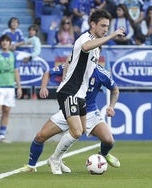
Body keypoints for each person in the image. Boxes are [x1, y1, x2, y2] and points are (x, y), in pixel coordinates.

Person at [30, 9, 124, 174]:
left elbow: (75, 59)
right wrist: (111, 36)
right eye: (102, 26)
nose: (105, 29)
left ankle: (58, 158)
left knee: (78, 132)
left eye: (107, 27)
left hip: (80, 94)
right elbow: (86, 47)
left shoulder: (96, 52)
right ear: (92, 24)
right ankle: (54, 159)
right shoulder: (85, 38)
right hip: (69, 91)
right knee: (75, 131)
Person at [20, 61, 120, 174]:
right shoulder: (73, 65)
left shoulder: (101, 73)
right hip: (68, 109)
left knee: (109, 140)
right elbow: (48, 73)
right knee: (40, 137)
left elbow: (115, 89)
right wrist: (43, 88)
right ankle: (31, 166)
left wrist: (111, 106)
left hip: (90, 112)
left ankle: (102, 155)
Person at [0, 34, 22, 144]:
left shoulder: (13, 55)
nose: (5, 42)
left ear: (9, 43)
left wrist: (19, 87)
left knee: (7, 111)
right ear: (0, 42)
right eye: (3, 40)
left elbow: (16, 72)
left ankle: (2, 136)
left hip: (10, 87)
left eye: (7, 41)